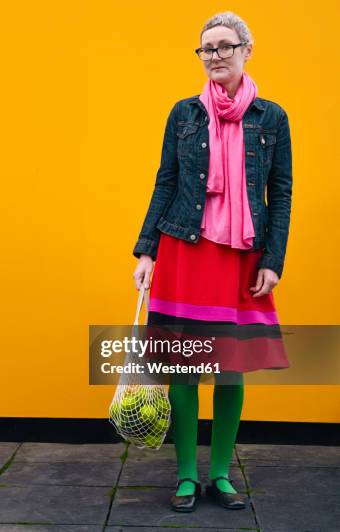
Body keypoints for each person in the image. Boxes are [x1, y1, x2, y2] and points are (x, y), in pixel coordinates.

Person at [132, 12, 293, 512]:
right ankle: (185, 476)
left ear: (247, 49)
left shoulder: (272, 117)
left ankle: (220, 474)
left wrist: (274, 259)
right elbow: (165, 181)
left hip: (242, 255)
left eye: (225, 46)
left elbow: (281, 191)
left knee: (230, 367)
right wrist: (145, 249)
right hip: (185, 246)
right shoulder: (184, 113)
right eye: (206, 49)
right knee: (183, 366)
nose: (215, 56)